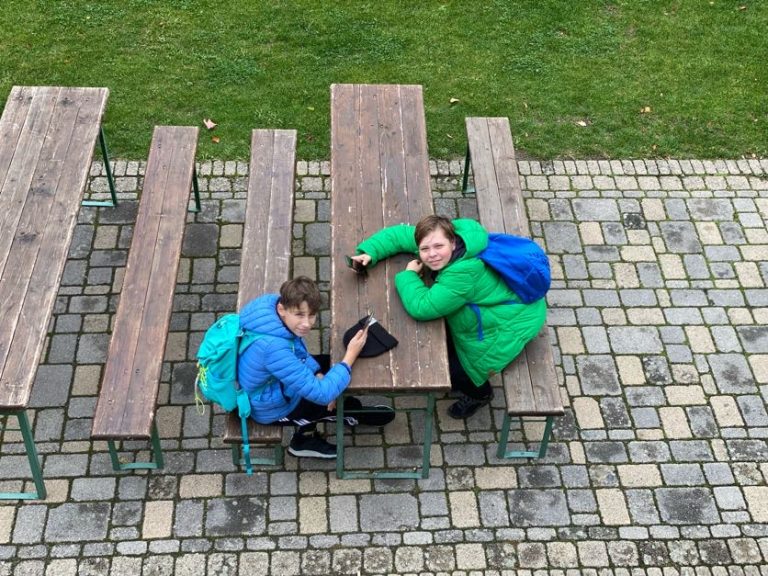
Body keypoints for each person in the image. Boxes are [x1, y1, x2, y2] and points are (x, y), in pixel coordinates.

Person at [351, 215, 546, 419]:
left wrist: (407, 275)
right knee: (445, 340)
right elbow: (398, 235)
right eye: (424, 249)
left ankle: (480, 395)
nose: (432, 254)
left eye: (438, 247)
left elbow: (422, 307)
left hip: (510, 322)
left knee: (458, 369)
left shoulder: (462, 275)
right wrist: (370, 252)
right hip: (501, 304)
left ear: (452, 242)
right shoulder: (447, 235)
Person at [237, 276, 393, 459]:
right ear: (282, 309)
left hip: (274, 382)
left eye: (311, 315)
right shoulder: (273, 349)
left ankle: (343, 406)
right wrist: (350, 355)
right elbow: (323, 394)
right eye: (300, 315)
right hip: (271, 408)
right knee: (327, 400)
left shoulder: (270, 307)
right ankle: (308, 438)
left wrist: (317, 372)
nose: (307, 324)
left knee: (328, 366)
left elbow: (297, 351)